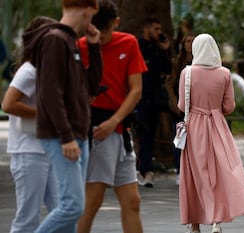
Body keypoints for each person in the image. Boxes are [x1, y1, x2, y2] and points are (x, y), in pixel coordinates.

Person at [22, 0, 102, 232]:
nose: (91, 23)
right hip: (64, 135)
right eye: (91, 16)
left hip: (77, 133)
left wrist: (94, 47)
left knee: (71, 208)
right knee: (72, 206)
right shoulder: (56, 40)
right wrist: (66, 136)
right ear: (87, 10)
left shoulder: (69, 41)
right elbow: (50, 93)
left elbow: (91, 88)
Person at [76, 0, 147, 232]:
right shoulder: (79, 46)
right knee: (91, 201)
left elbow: (136, 89)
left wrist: (115, 121)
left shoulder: (128, 42)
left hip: (119, 129)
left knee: (132, 201)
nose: (99, 36)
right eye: (93, 29)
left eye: (104, 31)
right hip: (96, 131)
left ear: (116, 23)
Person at [179, 33, 244, 233]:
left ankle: (195, 225)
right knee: (218, 173)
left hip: (194, 126)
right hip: (217, 126)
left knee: (194, 174)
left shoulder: (186, 73)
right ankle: (216, 221)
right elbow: (229, 106)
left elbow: (181, 105)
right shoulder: (224, 73)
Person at [2, 16, 58, 233]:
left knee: (63, 210)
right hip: (28, 152)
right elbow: (8, 104)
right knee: (27, 219)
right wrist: (44, 114)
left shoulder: (45, 69)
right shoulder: (29, 70)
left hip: (47, 150)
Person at [134, 17, 172, 187]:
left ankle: (147, 169)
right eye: (155, 29)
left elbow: (168, 69)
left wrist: (165, 50)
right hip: (139, 96)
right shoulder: (137, 46)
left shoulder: (158, 49)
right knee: (142, 132)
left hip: (154, 98)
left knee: (150, 133)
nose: (159, 32)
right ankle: (141, 169)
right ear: (146, 29)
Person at [165, 32, 195, 185]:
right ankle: (179, 171)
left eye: (192, 41)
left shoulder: (202, 61)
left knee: (195, 142)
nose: (190, 44)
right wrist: (174, 102)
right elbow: (169, 83)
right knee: (180, 140)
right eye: (187, 41)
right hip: (180, 108)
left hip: (196, 108)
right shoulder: (177, 62)